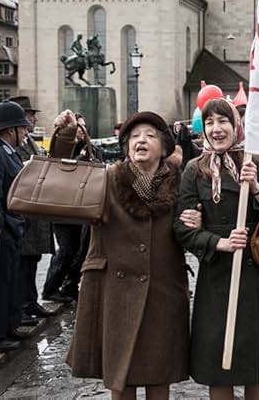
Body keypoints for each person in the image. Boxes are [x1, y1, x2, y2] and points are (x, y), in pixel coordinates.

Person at [53, 109, 190, 399]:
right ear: (125, 145)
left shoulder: (179, 183)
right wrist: (65, 135)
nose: (141, 141)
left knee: (158, 375)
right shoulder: (107, 179)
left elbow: (188, 232)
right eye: (135, 136)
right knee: (121, 377)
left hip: (163, 291)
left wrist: (196, 222)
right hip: (113, 291)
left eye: (150, 135)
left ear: (164, 147)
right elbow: (61, 183)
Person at [175, 98, 259, 399]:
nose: (216, 129)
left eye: (223, 121)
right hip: (216, 278)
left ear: (236, 125)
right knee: (218, 364)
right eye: (210, 123)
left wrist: (256, 189)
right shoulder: (194, 170)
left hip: (256, 278)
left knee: (256, 362)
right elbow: (182, 229)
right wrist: (219, 242)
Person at [6, 96, 58, 322]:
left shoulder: (30, 141)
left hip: (34, 214)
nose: (35, 118)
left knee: (32, 260)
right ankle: (21, 307)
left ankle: (30, 302)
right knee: (21, 265)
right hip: (22, 213)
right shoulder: (9, 146)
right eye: (30, 114)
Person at [42, 113, 100, 302]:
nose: (81, 132)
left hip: (82, 207)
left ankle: (69, 285)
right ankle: (51, 288)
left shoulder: (92, 149)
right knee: (67, 248)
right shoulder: (65, 148)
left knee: (80, 249)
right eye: (77, 127)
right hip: (63, 207)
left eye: (83, 128)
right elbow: (59, 165)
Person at [0, 101, 32, 353]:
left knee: (9, 281)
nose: (26, 133)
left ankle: (7, 326)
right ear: (10, 130)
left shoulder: (7, 151)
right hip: (1, 229)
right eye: (22, 128)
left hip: (11, 227)